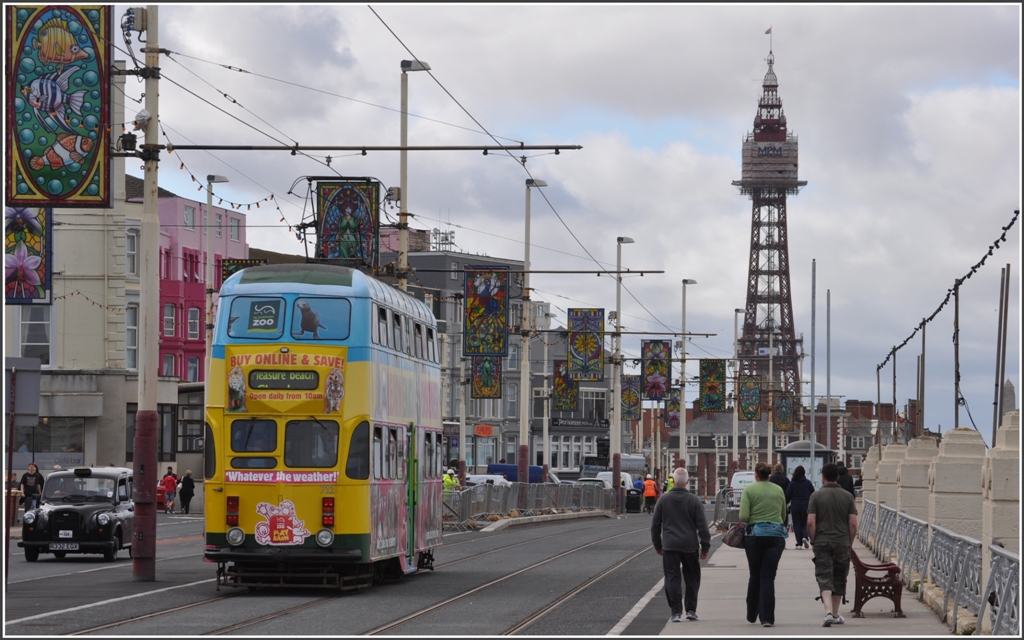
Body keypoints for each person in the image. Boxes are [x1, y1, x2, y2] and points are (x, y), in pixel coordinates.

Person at [651, 467, 710, 623]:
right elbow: (703, 526)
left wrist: (657, 544)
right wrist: (705, 546)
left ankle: (676, 612)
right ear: (688, 482)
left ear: (674, 481)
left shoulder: (663, 500)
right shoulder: (694, 500)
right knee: (692, 578)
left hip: (670, 546)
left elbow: (655, 525)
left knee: (672, 578)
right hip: (690, 545)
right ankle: (691, 610)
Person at [808, 462, 858, 627]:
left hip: (822, 541)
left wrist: (813, 541)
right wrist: (849, 543)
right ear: (837, 477)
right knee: (839, 577)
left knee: (824, 576)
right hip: (842, 541)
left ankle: (828, 611)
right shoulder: (848, 497)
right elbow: (852, 524)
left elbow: (810, 522)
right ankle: (836, 614)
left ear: (823, 477)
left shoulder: (816, 496)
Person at [739, 462, 788, 628]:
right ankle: (767, 618)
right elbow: (783, 515)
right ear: (769, 475)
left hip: (754, 536)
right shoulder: (778, 490)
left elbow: (744, 516)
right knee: (768, 576)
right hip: (775, 536)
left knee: (754, 574)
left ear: (756, 475)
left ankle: (752, 613)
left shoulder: (749, 490)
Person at [785, 465, 815, 549]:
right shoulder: (808, 482)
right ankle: (805, 537)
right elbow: (813, 493)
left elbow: (787, 495)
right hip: (806, 504)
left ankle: (798, 543)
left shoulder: (792, 483)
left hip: (795, 504)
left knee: (797, 524)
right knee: (805, 523)